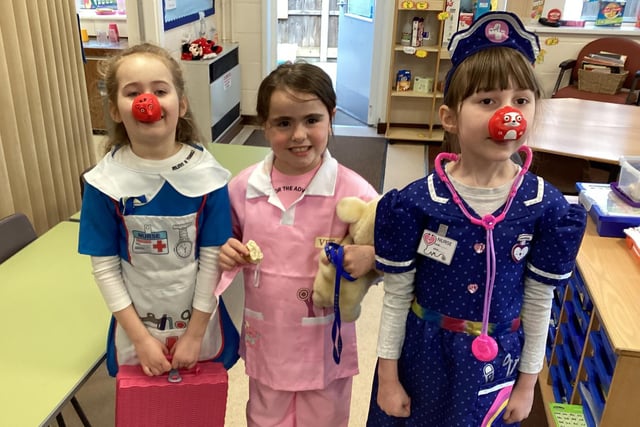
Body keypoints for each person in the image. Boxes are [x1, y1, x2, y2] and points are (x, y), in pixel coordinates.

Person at [367, 12, 587, 426]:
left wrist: (527, 384)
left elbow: (540, 302)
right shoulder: (416, 202)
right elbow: (396, 298)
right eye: (487, 101)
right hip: (424, 357)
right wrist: (387, 377)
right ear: (450, 117)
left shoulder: (546, 206)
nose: (508, 116)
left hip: (496, 365)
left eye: (520, 101)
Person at [218, 62, 379, 426]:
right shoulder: (244, 188)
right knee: (264, 415)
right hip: (268, 333)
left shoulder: (353, 190)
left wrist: (370, 257)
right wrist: (226, 249)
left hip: (325, 341)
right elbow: (222, 238)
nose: (299, 135)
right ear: (264, 125)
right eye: (283, 123)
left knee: (325, 417)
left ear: (331, 117)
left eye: (312, 120)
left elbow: (389, 249)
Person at [78, 43, 237, 378]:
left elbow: (212, 261)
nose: (145, 101)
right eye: (132, 92)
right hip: (138, 327)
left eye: (160, 90)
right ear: (116, 110)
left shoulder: (207, 175)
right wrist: (141, 340)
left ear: (182, 104)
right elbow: (105, 270)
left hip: (197, 322)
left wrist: (194, 335)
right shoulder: (104, 182)